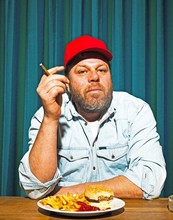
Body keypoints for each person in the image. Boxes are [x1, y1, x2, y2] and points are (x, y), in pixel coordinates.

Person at [19, 35, 166, 200]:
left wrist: (64, 193)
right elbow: (36, 187)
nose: (94, 77)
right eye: (82, 71)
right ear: (67, 84)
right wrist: (51, 118)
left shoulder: (136, 110)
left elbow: (150, 181)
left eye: (102, 70)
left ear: (110, 77)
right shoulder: (46, 115)